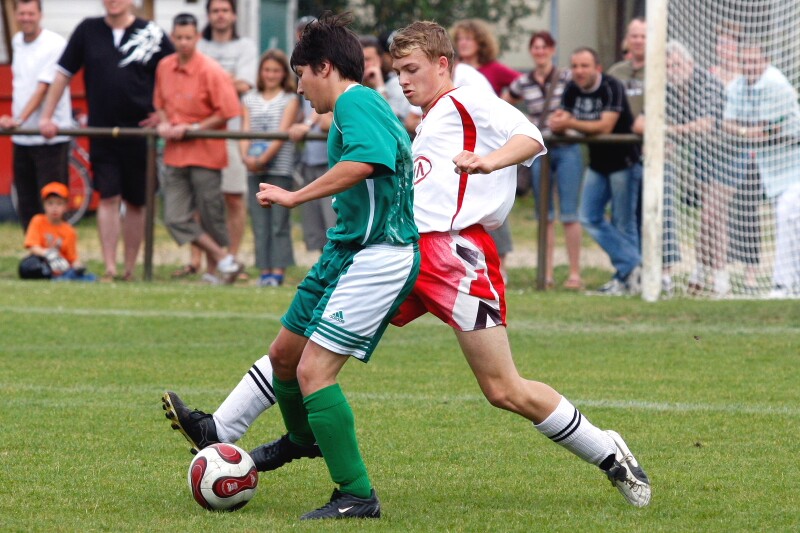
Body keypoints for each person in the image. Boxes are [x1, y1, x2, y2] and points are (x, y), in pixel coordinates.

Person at [161, 21, 651, 510]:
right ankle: (230, 429)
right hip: (403, 251)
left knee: (503, 389)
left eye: (413, 69)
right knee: (307, 344)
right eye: (398, 72)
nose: (404, 81)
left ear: (443, 64)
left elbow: (530, 135)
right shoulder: (426, 121)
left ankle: (609, 453)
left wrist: (490, 161)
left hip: (455, 258)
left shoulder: (467, 100)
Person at [164, 12, 419, 520]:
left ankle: (357, 494)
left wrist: (295, 195)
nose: (299, 88)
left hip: (380, 253)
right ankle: (303, 439)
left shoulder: (356, 101)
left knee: (313, 371)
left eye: (301, 75)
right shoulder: (352, 105)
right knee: (284, 355)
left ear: (325, 67)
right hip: (346, 249)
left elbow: (368, 161)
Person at [39, 0, 174, 282]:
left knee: (137, 201)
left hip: (140, 132)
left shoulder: (151, 32)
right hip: (102, 131)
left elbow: (175, 72)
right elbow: (62, 73)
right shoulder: (88, 30)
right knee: (108, 197)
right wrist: (47, 116)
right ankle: (110, 268)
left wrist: (164, 114)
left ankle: (130, 269)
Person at [153, 13, 242, 285]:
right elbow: (159, 104)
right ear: (172, 37)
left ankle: (214, 273)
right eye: (179, 37)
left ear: (197, 37)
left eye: (188, 37)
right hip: (175, 154)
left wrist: (194, 127)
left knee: (211, 215)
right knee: (174, 217)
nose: (183, 42)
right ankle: (225, 259)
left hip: (206, 153)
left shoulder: (211, 70)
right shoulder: (164, 67)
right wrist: (165, 123)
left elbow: (228, 110)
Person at [172, 0, 257, 280]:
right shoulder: (199, 44)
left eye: (225, 10)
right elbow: (188, 82)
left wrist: (209, 81)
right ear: (208, 16)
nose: (220, 15)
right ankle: (201, 262)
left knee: (234, 197)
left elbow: (244, 84)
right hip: (198, 133)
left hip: (230, 131)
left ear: (233, 15)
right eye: (215, 11)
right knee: (201, 201)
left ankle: (230, 259)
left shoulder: (245, 46)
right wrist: (223, 81)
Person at [550, 47, 641, 295]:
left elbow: (606, 125)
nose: (579, 71)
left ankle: (627, 278)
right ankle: (634, 267)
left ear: (597, 68)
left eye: (585, 66)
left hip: (624, 162)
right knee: (588, 216)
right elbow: (560, 121)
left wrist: (570, 123)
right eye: (575, 66)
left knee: (624, 223)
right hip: (597, 163)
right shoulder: (572, 88)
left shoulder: (612, 86)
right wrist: (559, 123)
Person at [506, 30, 584, 290]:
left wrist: (570, 120)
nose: (540, 52)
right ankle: (546, 273)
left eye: (544, 47)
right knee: (544, 214)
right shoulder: (523, 81)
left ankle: (575, 273)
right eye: (535, 47)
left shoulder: (567, 76)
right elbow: (505, 101)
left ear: (552, 49)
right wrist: (523, 122)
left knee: (570, 213)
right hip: (540, 149)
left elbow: (583, 98)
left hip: (567, 146)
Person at [723, 42, 800, 298]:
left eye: (754, 61)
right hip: (772, 168)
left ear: (766, 61)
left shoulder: (777, 85)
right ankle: (791, 283)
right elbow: (727, 123)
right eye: (745, 62)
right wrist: (746, 131)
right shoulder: (737, 86)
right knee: (789, 220)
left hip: (794, 164)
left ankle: (782, 284)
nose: (749, 67)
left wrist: (744, 131)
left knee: (787, 212)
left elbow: (766, 130)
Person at [449, 18, 520, 282]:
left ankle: (501, 265)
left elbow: (521, 84)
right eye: (461, 38)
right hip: (462, 147)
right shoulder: (454, 70)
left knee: (491, 204)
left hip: (488, 146)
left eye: (469, 38)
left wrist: (508, 102)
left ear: (480, 42)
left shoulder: (488, 72)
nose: (464, 43)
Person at [0, 0, 72, 232]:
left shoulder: (54, 44)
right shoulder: (17, 42)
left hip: (49, 137)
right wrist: (15, 121)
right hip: (22, 137)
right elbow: (22, 86)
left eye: (31, 13)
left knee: (53, 204)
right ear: (16, 15)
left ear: (40, 15)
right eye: (22, 13)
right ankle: (33, 249)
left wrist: (18, 120)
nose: (26, 18)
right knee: (26, 202)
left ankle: (56, 250)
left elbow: (43, 89)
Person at [240, 49, 300, 287]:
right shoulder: (249, 98)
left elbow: (282, 132)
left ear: (283, 73)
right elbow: (245, 130)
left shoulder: (290, 99)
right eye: (267, 70)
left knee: (278, 221)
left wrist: (264, 158)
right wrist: (246, 157)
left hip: (279, 167)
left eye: (276, 70)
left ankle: (278, 271)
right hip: (253, 168)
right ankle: (264, 270)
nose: (271, 75)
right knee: (259, 222)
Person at [608, 17, 646, 248]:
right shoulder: (616, 72)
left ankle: (652, 263)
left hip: (652, 154)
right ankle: (630, 264)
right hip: (621, 154)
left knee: (649, 213)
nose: (638, 40)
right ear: (627, 40)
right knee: (622, 215)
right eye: (634, 36)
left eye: (643, 36)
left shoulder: (662, 69)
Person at [19, 182, 95, 281]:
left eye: (59, 203)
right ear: (44, 205)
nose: (54, 208)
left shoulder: (69, 231)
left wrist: (78, 266)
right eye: (50, 203)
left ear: (66, 206)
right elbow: (33, 246)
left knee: (83, 277)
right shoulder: (37, 220)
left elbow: (72, 258)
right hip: (42, 264)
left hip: (61, 269)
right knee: (28, 265)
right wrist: (47, 253)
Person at [360, 35, 418, 134]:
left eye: (368, 59)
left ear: (379, 60)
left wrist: (379, 86)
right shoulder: (353, 87)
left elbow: (391, 123)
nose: (364, 64)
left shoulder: (397, 85)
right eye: (361, 60)